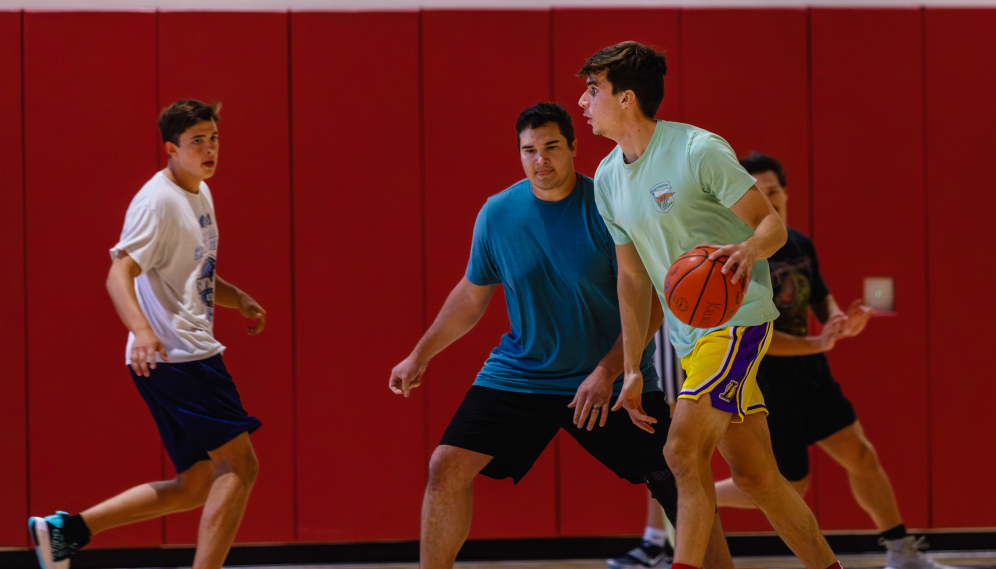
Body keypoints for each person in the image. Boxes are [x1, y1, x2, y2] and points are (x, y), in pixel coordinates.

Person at [389, 102, 733, 569]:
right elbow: (471, 296)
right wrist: (419, 355)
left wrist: (610, 369)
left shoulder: (609, 205)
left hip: (608, 378)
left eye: (551, 147)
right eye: (529, 150)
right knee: (444, 466)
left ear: (573, 148)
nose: (540, 160)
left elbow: (651, 301)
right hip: (521, 375)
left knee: (678, 476)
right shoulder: (497, 214)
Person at [578, 41, 841, 569]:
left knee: (680, 453)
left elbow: (772, 225)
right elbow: (632, 277)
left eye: (592, 90)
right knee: (759, 479)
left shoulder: (698, 150)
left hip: (737, 320)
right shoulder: (606, 178)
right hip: (688, 336)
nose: (583, 102)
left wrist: (747, 249)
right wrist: (631, 367)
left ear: (627, 98)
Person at [29, 100, 266, 569]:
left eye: (213, 138)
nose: (209, 148)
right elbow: (118, 273)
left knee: (196, 483)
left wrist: (236, 297)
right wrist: (140, 330)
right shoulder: (158, 201)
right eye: (197, 141)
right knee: (240, 467)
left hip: (172, 359)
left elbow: (190, 273)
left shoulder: (199, 191)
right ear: (170, 150)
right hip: (182, 358)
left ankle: (65, 533)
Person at [713, 152, 952, 569]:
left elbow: (819, 296)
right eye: (759, 192)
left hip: (812, 372)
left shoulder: (799, 242)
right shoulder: (742, 255)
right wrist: (819, 343)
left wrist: (839, 319)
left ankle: (900, 551)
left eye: (774, 191)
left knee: (860, 455)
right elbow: (759, 339)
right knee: (792, 483)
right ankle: (694, 492)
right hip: (767, 381)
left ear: (784, 194)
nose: (770, 198)